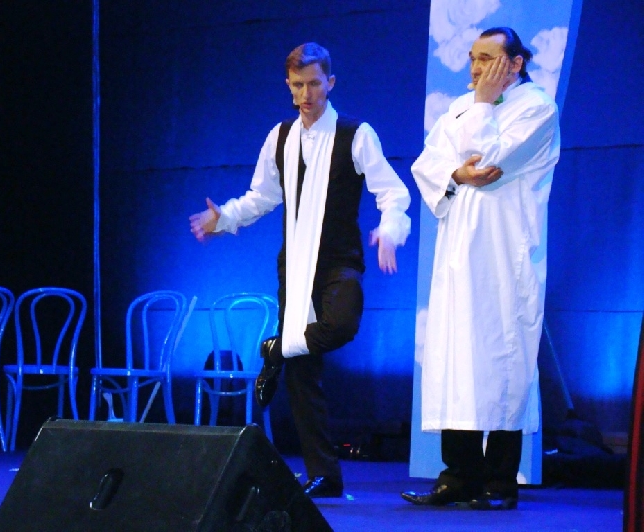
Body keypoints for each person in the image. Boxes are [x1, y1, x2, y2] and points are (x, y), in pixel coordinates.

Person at [190, 42, 411, 498]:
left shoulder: (355, 134)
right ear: (288, 86)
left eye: (313, 84)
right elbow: (262, 196)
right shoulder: (281, 136)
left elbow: (391, 191)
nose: (306, 94)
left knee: (342, 324)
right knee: (303, 373)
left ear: (331, 82)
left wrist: (390, 229)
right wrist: (223, 218)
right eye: (297, 85)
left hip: (339, 259)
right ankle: (324, 474)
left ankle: (277, 349)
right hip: (294, 264)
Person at [402, 27, 560, 510]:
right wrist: (455, 172)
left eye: (487, 59)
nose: (475, 68)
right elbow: (428, 164)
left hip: (504, 255)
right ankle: (459, 475)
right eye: (472, 58)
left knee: (502, 360)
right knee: (457, 359)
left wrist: (485, 107)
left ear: (515, 63)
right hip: (457, 253)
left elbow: (490, 161)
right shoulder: (460, 107)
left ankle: (499, 482)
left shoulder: (537, 108)